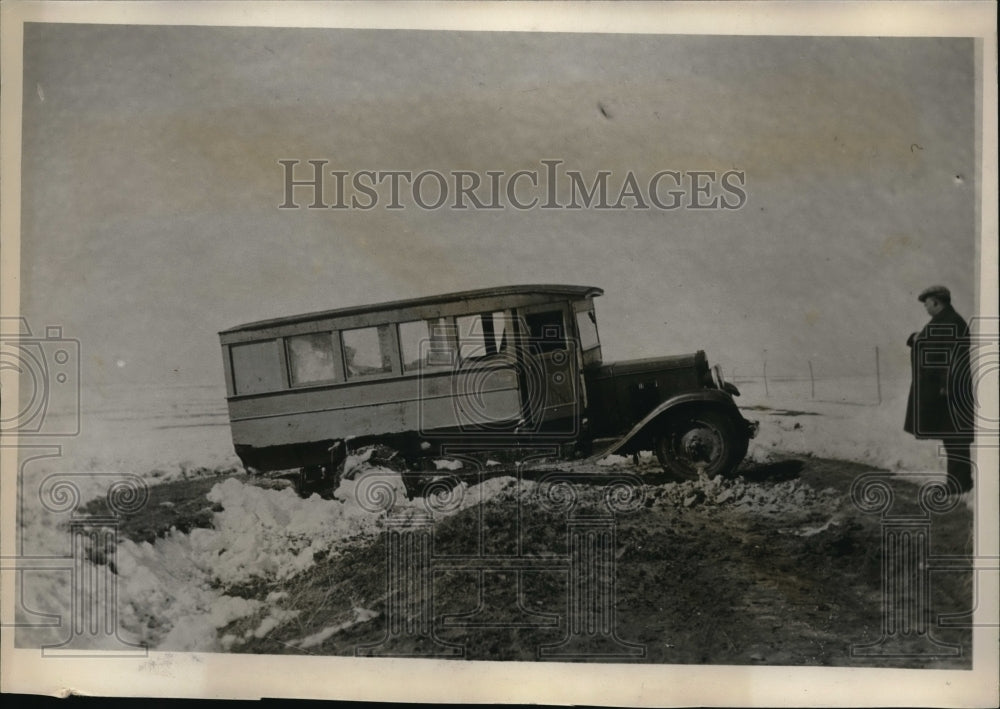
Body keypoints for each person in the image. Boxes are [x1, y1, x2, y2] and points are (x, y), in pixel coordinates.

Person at [904, 285, 974, 493]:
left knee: (956, 437)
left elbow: (953, 357)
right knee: (951, 436)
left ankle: (959, 484)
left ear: (936, 301)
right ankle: (958, 483)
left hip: (948, 391)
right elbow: (931, 342)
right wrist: (915, 338)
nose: (925, 307)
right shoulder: (943, 321)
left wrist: (946, 386)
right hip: (942, 390)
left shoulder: (951, 322)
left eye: (927, 303)